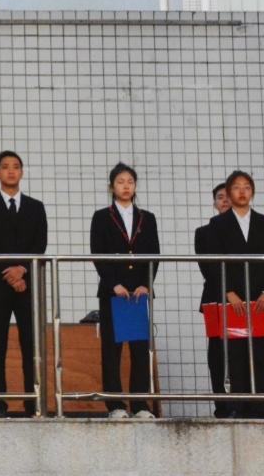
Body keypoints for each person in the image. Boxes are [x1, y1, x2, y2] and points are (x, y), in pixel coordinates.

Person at [0, 150, 47, 418]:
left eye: (16, 166)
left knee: (31, 345)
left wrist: (22, 270)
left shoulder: (36, 207)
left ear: (22, 172)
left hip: (28, 286)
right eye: (5, 167)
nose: (10, 171)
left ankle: (34, 404)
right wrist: (10, 273)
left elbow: (39, 244)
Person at [206, 170, 264, 419]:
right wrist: (228, 292)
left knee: (260, 350)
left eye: (247, 187)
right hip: (233, 299)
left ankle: (259, 406)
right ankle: (238, 406)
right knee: (236, 351)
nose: (242, 191)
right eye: (237, 187)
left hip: (260, 299)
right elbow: (214, 262)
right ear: (229, 192)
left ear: (253, 192)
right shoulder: (218, 224)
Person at [89, 163, 161, 419]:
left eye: (130, 181)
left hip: (139, 293)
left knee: (140, 349)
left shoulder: (147, 218)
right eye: (120, 182)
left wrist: (146, 283)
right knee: (112, 350)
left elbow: (154, 254)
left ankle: (140, 404)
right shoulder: (101, 217)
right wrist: (114, 284)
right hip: (113, 292)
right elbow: (97, 253)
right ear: (112, 187)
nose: (126, 186)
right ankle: (116, 405)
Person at [194, 182, 233, 418]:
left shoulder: (246, 228)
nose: (225, 200)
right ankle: (222, 404)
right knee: (217, 351)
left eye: (228, 196)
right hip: (214, 298)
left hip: (245, 299)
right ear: (214, 203)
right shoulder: (203, 232)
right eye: (220, 197)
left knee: (242, 350)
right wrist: (230, 290)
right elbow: (208, 268)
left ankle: (245, 403)